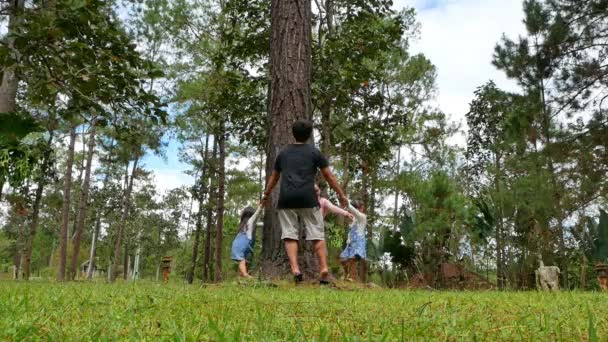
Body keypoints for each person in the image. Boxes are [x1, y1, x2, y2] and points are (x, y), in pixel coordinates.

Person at [262, 119, 348, 284]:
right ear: (309, 135)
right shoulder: (314, 152)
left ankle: (295, 269)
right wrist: (341, 195)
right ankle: (323, 268)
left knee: (289, 235)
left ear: (293, 133)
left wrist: (266, 194)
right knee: (317, 235)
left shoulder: (284, 153)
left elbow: (274, 177)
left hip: (286, 199)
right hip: (308, 198)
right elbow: (329, 176)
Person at [230, 205, 263, 278]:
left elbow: (259, 224)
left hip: (238, 244)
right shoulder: (250, 221)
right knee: (242, 260)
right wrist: (261, 206)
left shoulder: (242, 224)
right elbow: (256, 214)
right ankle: (245, 275)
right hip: (242, 244)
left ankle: (241, 275)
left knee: (244, 260)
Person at [340, 200, 367, 281]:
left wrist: (347, 202)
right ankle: (346, 274)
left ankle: (352, 278)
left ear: (362, 208)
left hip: (359, 242)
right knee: (343, 259)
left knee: (352, 260)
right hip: (351, 243)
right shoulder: (354, 219)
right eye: (356, 207)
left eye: (358, 207)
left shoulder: (362, 217)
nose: (357, 209)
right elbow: (351, 231)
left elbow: (355, 212)